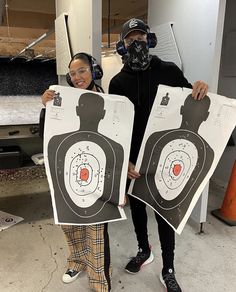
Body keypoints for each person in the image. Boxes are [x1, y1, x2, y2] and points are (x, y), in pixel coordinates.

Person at [109, 18, 209, 292]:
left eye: (141, 39)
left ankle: (168, 268)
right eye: (130, 41)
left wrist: (199, 87)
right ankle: (144, 250)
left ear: (150, 41)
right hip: (135, 160)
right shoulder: (117, 82)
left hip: (166, 157)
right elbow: (116, 125)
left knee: (165, 213)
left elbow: (191, 99)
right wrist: (125, 160)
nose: (136, 44)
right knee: (138, 209)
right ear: (122, 47)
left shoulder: (169, 70)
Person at [41, 52, 111, 292]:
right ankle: (77, 261)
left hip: (99, 173)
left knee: (97, 227)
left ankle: (99, 274)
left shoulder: (109, 100)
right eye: (72, 73)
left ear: (93, 71)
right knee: (70, 223)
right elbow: (47, 134)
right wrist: (46, 108)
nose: (77, 76)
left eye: (82, 70)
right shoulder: (63, 97)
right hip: (69, 172)